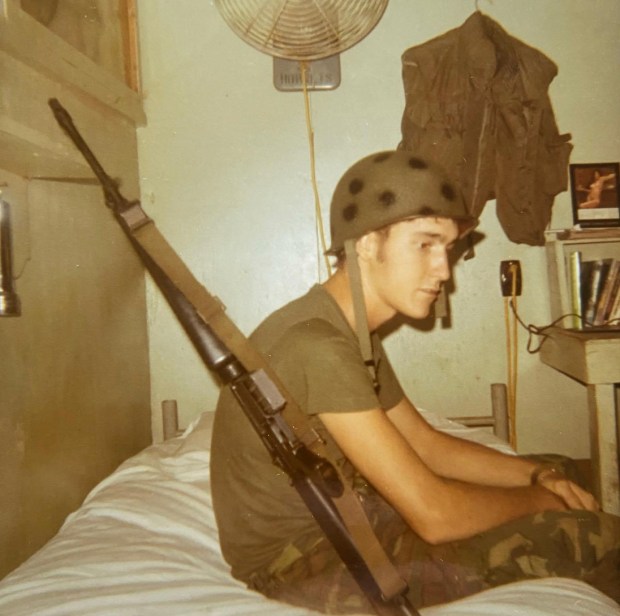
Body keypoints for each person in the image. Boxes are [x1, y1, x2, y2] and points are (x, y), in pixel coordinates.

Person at [210, 150, 620, 613]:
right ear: (367, 244)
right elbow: (435, 516)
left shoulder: (342, 329)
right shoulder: (318, 345)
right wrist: (542, 501)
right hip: (310, 560)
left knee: (563, 467)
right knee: (593, 535)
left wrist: (537, 475)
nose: (444, 270)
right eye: (425, 245)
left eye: (448, 248)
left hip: (349, 523)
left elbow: (424, 443)